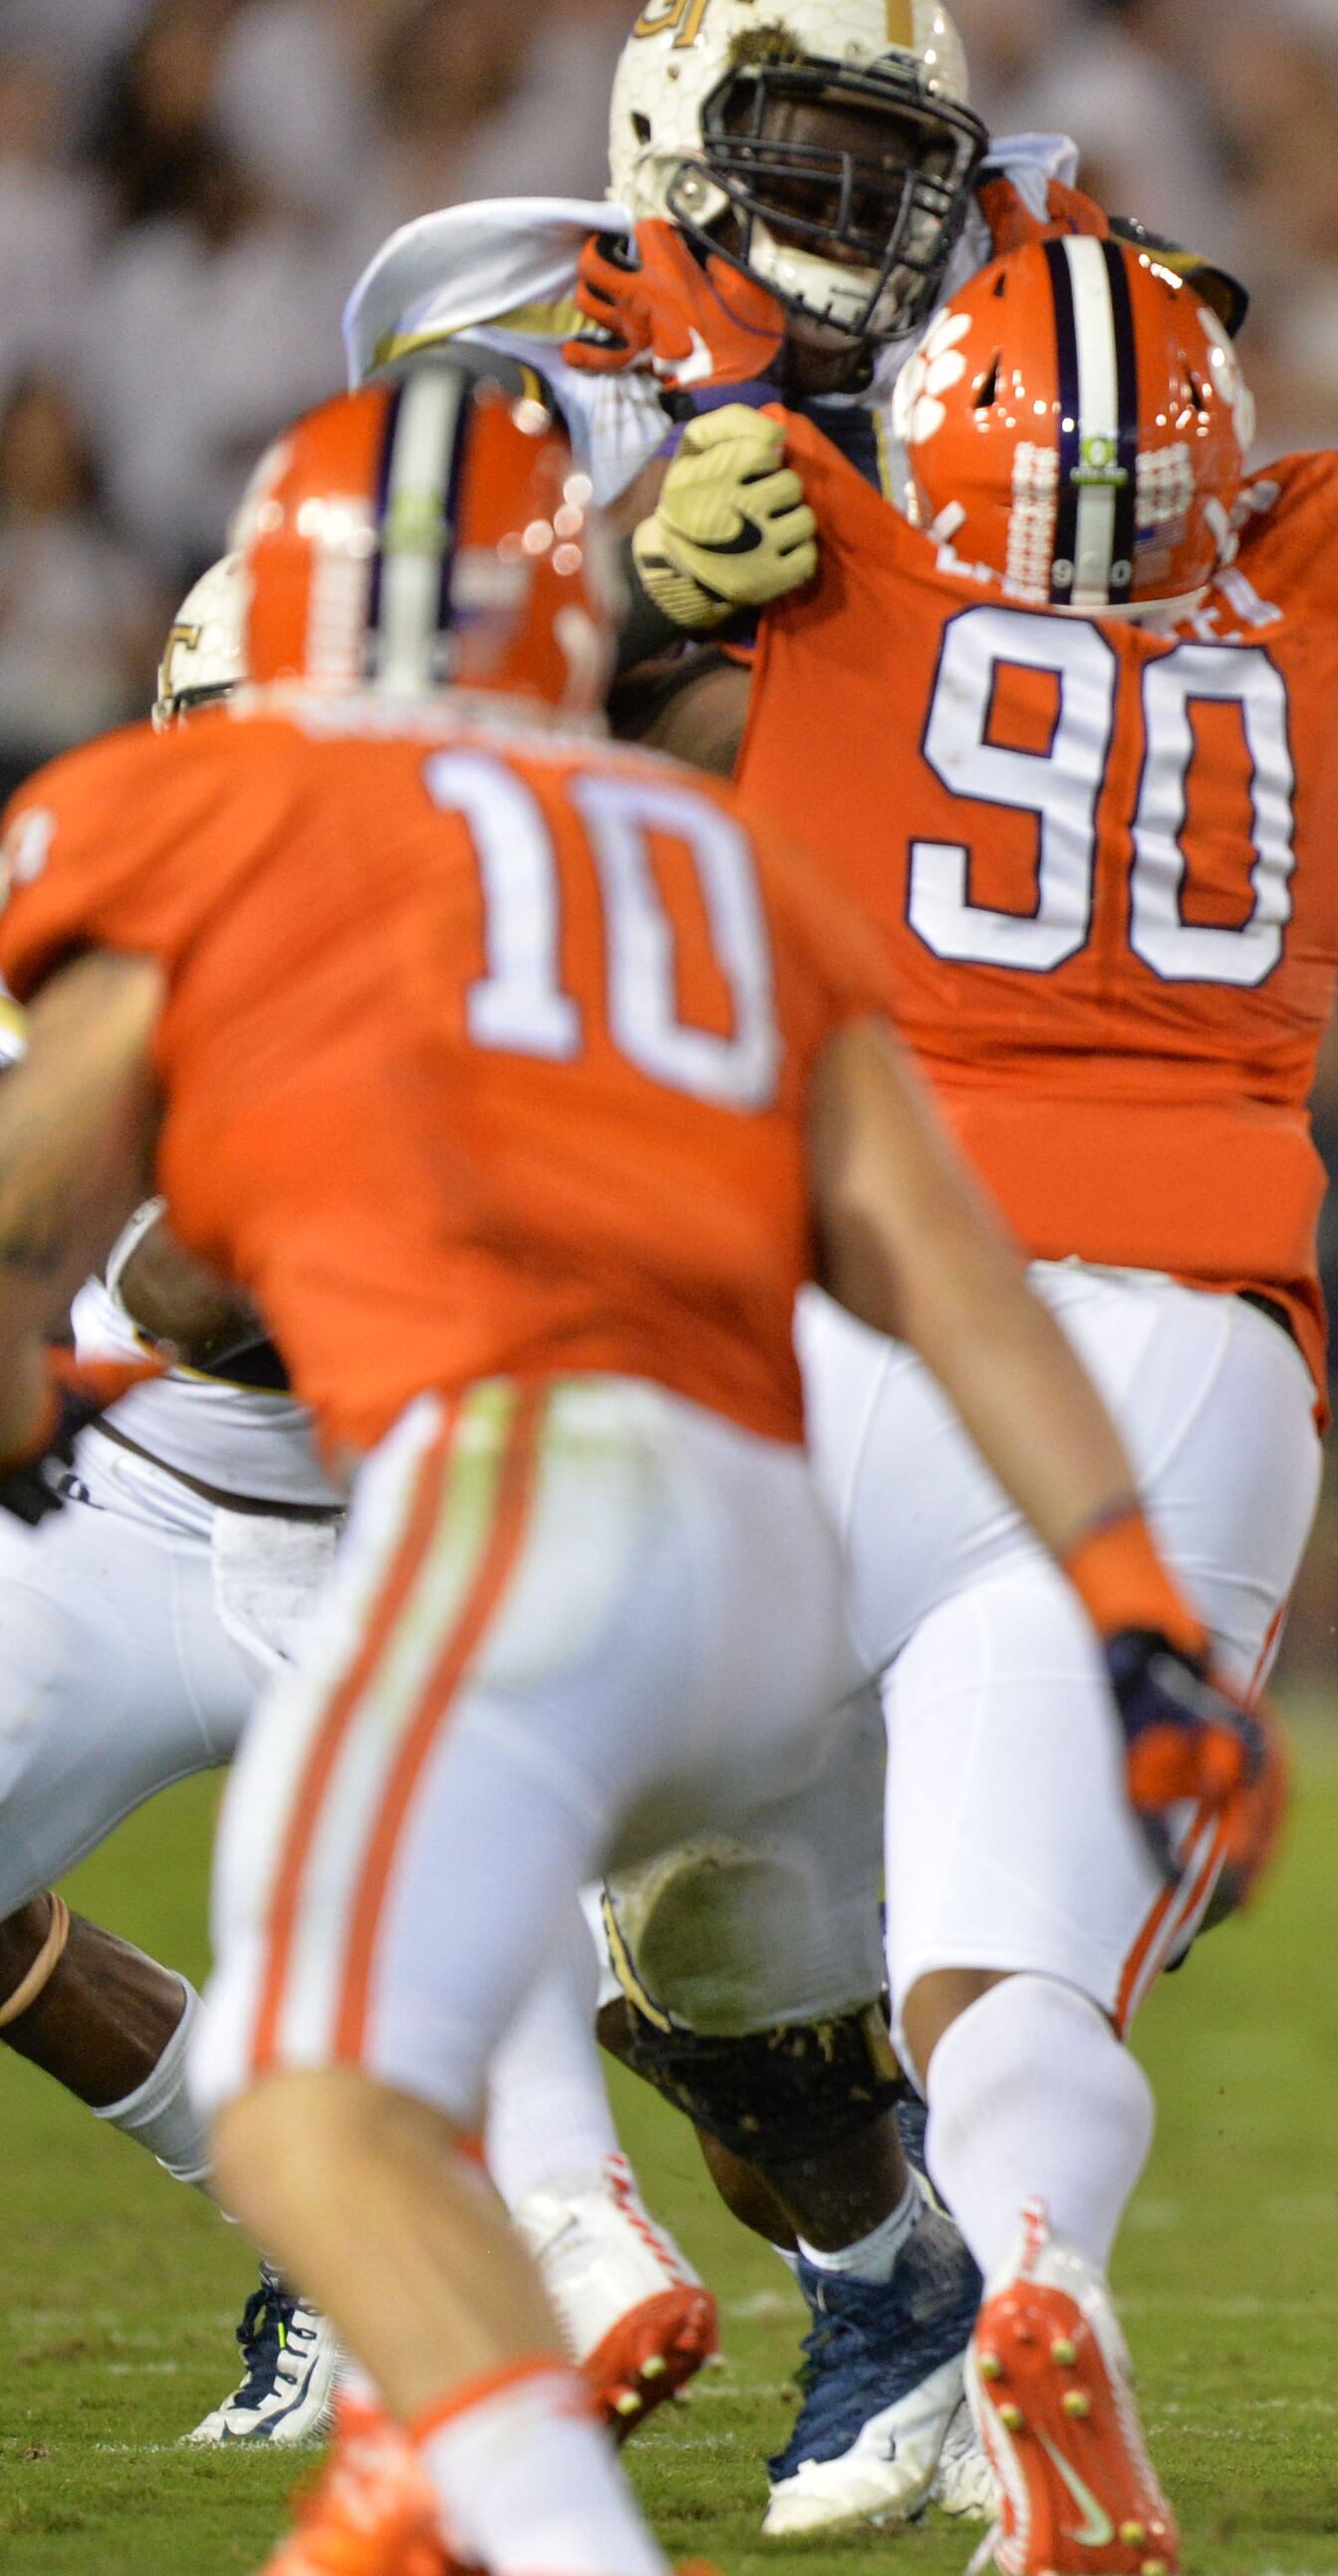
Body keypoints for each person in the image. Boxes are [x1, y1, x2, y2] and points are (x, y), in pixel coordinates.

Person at [0, 364, 1268, 2576]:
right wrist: (1144, 1623)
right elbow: (949, 1278)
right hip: (769, 1552)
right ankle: (454, 2456)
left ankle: (530, 2413)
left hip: (498, 1517)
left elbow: (109, 1241)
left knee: (317, 2105)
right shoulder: (710, 852)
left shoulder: (209, 814)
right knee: (457, 2040)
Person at [615, 234, 1338, 2565]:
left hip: (838, 1306)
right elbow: (1336, 524)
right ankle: (1042, 2292)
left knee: (483, 1795)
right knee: (1012, 1976)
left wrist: (657, 549)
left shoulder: (802, 520)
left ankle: (563, 2250)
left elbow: (583, 605)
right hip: (1178, 1355)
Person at [0, 555, 730, 2457]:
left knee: (686, 1981)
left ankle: (895, 2298)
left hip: (439, 1530)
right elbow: (125, 1271)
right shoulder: (71, 925)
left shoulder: (537, 941)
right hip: (130, 1515)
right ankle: (329, 2250)